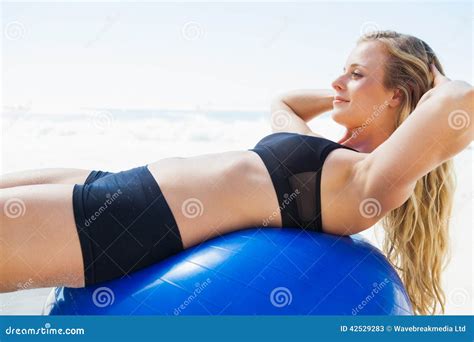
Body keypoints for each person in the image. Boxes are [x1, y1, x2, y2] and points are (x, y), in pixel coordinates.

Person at [0, 30, 472, 315]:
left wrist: (433, 79)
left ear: (397, 94)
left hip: (128, 223)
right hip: (114, 183)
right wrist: (342, 97)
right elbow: (282, 102)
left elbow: (461, 104)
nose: (336, 83)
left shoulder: (366, 184)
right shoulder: (326, 154)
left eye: (355, 74)